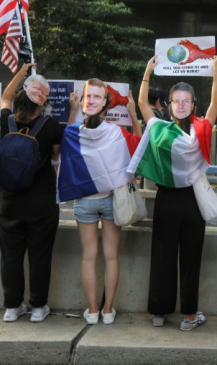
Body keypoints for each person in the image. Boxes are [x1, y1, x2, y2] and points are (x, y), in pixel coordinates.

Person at [129, 54, 217, 331]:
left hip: (173, 201)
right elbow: (143, 103)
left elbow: (215, 103)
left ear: (194, 105)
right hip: (184, 200)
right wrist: (147, 70)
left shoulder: (171, 128)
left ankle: (162, 312)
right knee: (181, 258)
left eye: (186, 101)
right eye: (176, 100)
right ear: (169, 106)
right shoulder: (166, 127)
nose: (181, 105)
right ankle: (187, 316)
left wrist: (216, 72)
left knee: (165, 255)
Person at [59, 80, 142, 325]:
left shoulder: (74, 132)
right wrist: (133, 115)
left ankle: (99, 310)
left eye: (97, 96)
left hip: (101, 202)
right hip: (102, 201)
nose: (92, 100)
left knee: (99, 257)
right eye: (89, 96)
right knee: (103, 257)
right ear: (84, 100)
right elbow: (138, 148)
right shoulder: (110, 132)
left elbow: (137, 147)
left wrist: (133, 113)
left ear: (105, 102)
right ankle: (102, 310)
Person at [0, 63, 65, 323]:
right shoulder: (51, 126)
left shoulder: (7, 120)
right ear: (43, 99)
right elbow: (57, 156)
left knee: (10, 256)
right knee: (40, 255)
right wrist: (70, 111)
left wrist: (22, 73)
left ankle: (12, 307)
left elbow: (5, 97)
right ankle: (38, 307)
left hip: (8, 201)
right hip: (41, 202)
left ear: (23, 92)